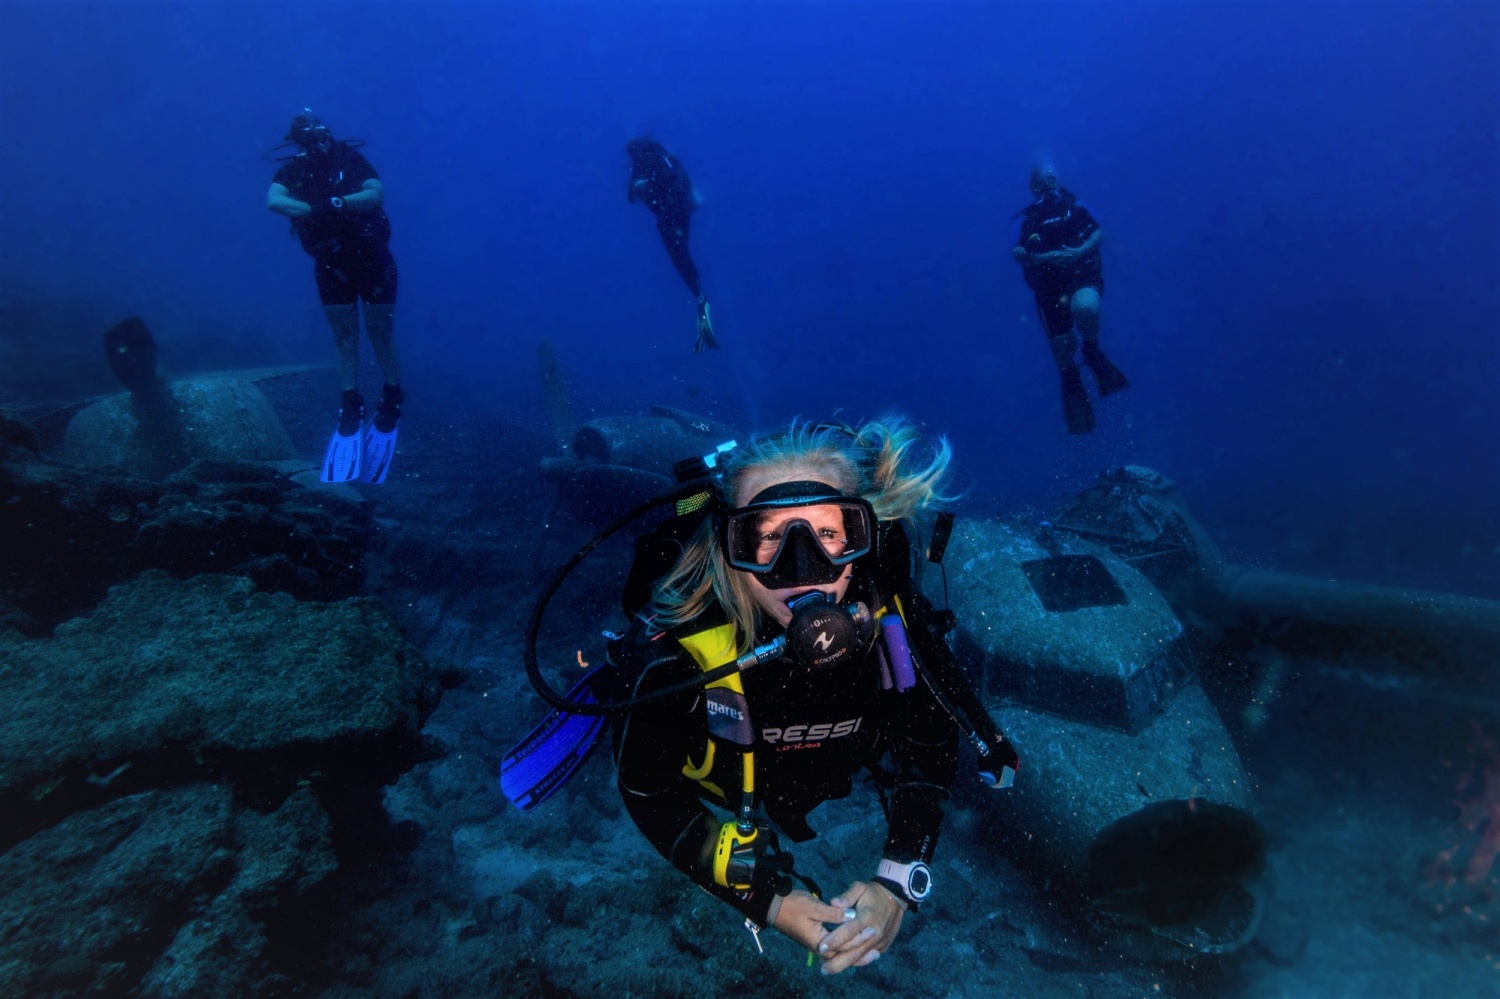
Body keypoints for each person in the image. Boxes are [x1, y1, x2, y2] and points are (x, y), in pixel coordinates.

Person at [606, 418, 1017, 974]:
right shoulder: (679, 658)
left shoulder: (890, 622)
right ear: (729, 549)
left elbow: (930, 736)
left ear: (862, 538)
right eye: (769, 537)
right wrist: (766, 902)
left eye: (828, 534)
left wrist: (897, 880)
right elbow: (649, 789)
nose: (802, 572)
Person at [267, 109, 403, 483]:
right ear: (299, 142)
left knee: (380, 331)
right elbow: (274, 200)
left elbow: (375, 193)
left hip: (373, 259)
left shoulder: (351, 158)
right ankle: (350, 402)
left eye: (321, 133)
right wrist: (311, 208)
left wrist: (336, 203)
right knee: (345, 336)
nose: (319, 141)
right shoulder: (292, 171)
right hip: (331, 264)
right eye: (310, 137)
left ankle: (392, 395)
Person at [1012, 167, 1129, 435]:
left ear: (1058, 179)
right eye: (1039, 184)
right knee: (1063, 350)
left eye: (1050, 179)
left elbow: (1098, 233)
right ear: (1033, 189)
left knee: (1086, 307)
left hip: (1081, 276)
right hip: (1048, 290)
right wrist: (1044, 257)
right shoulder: (1027, 220)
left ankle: (1092, 351)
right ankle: (1075, 391)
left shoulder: (1075, 207)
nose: (1047, 187)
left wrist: (1076, 252)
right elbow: (1018, 253)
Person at [626, 137, 719, 353]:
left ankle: (700, 298)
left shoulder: (657, 158)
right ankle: (699, 299)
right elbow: (630, 195)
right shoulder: (643, 164)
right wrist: (636, 186)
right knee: (679, 259)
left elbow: (668, 178)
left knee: (680, 256)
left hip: (675, 213)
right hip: (667, 218)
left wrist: (645, 184)